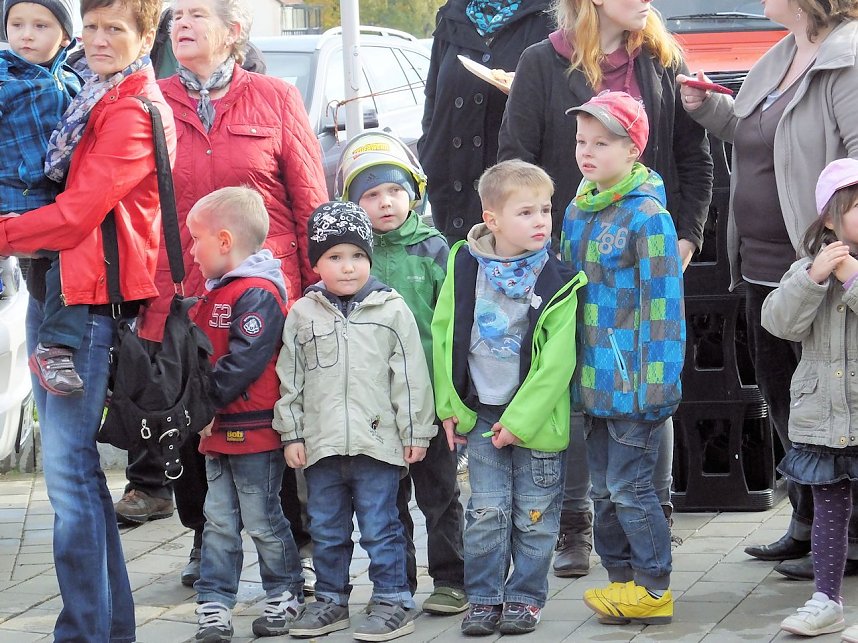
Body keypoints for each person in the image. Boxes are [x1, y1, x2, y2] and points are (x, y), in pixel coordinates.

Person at [498, 0, 712, 578]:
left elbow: (694, 156)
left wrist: (687, 234)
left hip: (643, 257)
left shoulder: (663, 60)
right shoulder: (543, 62)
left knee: (647, 382)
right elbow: (516, 162)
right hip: (569, 257)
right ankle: (576, 522)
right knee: (576, 382)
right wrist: (534, 248)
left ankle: (653, 516)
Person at [119, 0, 327, 590]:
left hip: (268, 289)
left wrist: (318, 290)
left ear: (234, 32)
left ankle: (290, 544)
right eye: (175, 16)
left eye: (196, 15)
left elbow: (309, 196)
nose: (180, 24)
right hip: (181, 290)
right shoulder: (150, 98)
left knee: (272, 416)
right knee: (188, 418)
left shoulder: (275, 96)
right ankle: (204, 540)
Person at [0, 0, 175, 638]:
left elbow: (76, 215)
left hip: (90, 307)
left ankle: (84, 632)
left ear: (144, 38)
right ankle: (105, 628)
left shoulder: (129, 110)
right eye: (94, 27)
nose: (100, 41)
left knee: (71, 482)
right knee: (77, 479)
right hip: (63, 294)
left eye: (115, 30)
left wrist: (4, 231)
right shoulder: (91, 96)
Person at [679, 0, 858, 581]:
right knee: (786, 404)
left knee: (836, 409)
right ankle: (809, 524)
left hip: (822, 270)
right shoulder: (779, 54)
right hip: (762, 266)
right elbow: (753, 134)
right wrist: (710, 110)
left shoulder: (846, 59)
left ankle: (846, 537)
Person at [432, 159, 587, 636]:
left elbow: (557, 363)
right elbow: (443, 336)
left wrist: (520, 420)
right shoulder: (463, 264)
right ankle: (484, 598)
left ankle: (524, 597)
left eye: (546, 209)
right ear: (492, 219)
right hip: (480, 415)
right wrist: (450, 407)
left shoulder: (558, 278)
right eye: (526, 212)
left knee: (536, 516)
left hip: (536, 421)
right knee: (487, 512)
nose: (541, 220)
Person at [274, 201, 436, 641]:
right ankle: (330, 600)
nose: (348, 267)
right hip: (322, 447)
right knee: (325, 528)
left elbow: (410, 377)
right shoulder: (303, 314)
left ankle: (392, 600)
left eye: (358, 256)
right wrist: (291, 432)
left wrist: (416, 431)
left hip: (377, 447)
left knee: (381, 527)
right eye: (335, 257)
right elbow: (290, 378)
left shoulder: (392, 310)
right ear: (316, 262)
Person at [561, 91, 684, 624]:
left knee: (632, 488)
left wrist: (659, 385)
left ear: (633, 149)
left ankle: (654, 587)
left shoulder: (649, 217)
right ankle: (622, 580)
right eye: (581, 141)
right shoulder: (575, 209)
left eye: (602, 143)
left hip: (636, 381)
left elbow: (665, 306)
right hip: (591, 380)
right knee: (602, 491)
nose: (587, 152)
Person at [338, 132, 468, 615]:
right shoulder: (351, 257)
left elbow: (456, 328)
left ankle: (452, 579)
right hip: (375, 405)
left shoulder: (435, 251)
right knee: (387, 502)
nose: (385, 202)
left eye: (394, 190)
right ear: (353, 204)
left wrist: (453, 399)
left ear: (414, 190)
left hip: (428, 401)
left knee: (440, 494)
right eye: (370, 195)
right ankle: (397, 583)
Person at [186, 187, 304, 642]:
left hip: (251, 431)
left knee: (262, 518)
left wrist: (203, 405)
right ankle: (214, 604)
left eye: (196, 240)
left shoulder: (257, 293)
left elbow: (244, 360)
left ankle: (284, 593)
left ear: (223, 240)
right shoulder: (214, 293)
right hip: (215, 432)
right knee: (217, 520)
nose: (191, 251)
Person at [761, 158, 858, 639]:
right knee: (829, 507)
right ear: (828, 217)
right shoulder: (807, 267)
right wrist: (812, 278)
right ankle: (826, 599)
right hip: (823, 417)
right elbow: (779, 323)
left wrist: (852, 278)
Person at [418, 0, 553, 243]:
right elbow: (433, 99)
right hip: (451, 194)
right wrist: (429, 153)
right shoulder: (453, 15)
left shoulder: (548, 16)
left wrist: (523, 91)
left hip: (515, 199)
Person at [0, 0, 83, 395]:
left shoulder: (72, 80)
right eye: (17, 25)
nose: (26, 35)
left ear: (65, 35)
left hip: (51, 205)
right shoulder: (3, 76)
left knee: (67, 271)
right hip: (10, 199)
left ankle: (56, 349)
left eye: (40, 26)